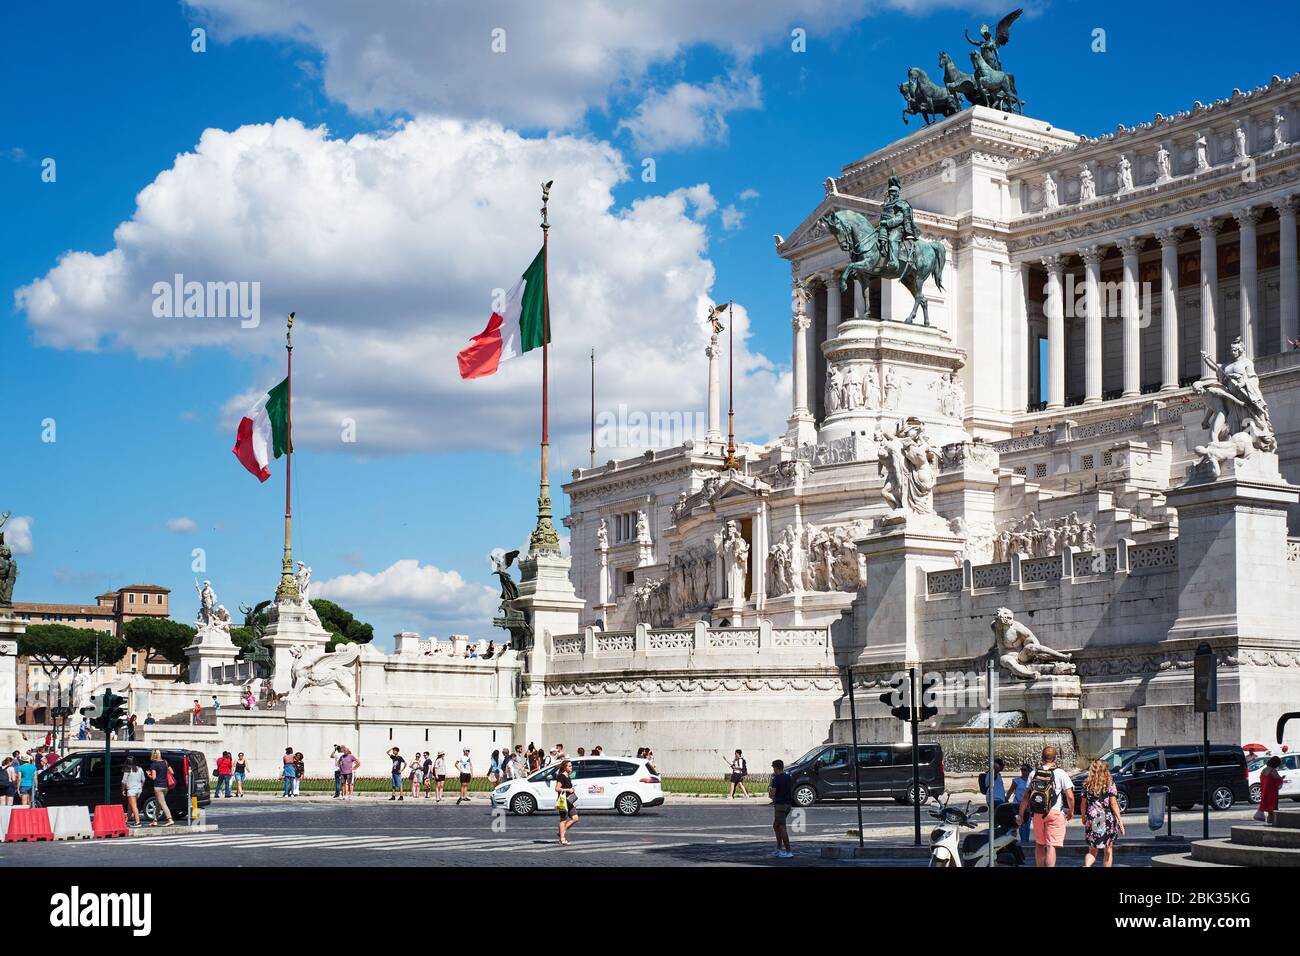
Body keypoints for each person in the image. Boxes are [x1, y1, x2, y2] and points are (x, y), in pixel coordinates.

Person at [1016, 745, 1074, 868]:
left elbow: (1026, 797)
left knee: (1040, 844)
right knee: (1051, 845)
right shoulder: (1060, 773)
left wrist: (1020, 814)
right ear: (1055, 758)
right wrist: (1071, 811)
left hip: (1037, 813)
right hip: (1054, 812)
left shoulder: (1033, 773)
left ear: (1042, 758)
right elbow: (1070, 796)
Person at [1077, 759, 1125, 867]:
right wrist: (1120, 821)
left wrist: (1083, 817)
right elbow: (1113, 804)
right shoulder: (1110, 784)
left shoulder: (1086, 784)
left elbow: (1083, 804)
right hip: (1106, 818)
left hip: (1093, 818)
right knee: (1108, 850)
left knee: (1092, 850)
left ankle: (1087, 866)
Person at [768, 759, 794, 859]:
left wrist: (770, 792)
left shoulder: (776, 779)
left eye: (773, 767)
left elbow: (772, 794)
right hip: (787, 805)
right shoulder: (788, 777)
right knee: (776, 826)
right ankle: (779, 849)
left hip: (780, 806)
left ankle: (788, 851)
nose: (773, 769)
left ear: (776, 767)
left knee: (781, 827)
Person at [1006, 764, 1034, 844]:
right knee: (1020, 822)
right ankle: (1023, 840)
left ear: (1029, 771)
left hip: (1028, 804)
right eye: (1022, 769)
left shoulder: (1032, 782)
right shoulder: (1017, 780)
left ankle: (1026, 840)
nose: (1023, 771)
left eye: (1025, 770)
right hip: (1017, 804)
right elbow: (1010, 791)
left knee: (1027, 823)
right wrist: (1006, 800)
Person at [146, 749, 174, 826]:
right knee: (158, 804)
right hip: (165, 786)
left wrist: (148, 774)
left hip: (158, 787)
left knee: (162, 803)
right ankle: (155, 820)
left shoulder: (154, 764)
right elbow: (172, 772)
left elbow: (154, 778)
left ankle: (170, 819)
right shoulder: (165, 762)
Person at [555, 758, 579, 846]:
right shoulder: (561, 776)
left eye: (571, 766)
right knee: (563, 820)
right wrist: (568, 789)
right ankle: (562, 838)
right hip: (563, 801)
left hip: (569, 801)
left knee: (575, 818)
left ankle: (562, 832)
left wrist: (573, 802)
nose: (571, 767)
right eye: (569, 766)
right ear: (564, 767)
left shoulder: (568, 776)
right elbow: (557, 789)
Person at [1258, 755, 1285, 826]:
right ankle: (1273, 822)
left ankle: (1269, 821)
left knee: (1267, 805)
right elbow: (1278, 783)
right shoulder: (1273, 771)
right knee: (1273, 808)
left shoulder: (1264, 770)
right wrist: (1281, 779)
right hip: (1272, 792)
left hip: (1264, 790)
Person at [121, 756, 145, 827]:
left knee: (134, 806)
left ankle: (138, 822)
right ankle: (126, 819)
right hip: (138, 789)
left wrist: (123, 789)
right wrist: (141, 787)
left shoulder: (127, 769)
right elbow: (143, 779)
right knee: (130, 805)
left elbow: (124, 781)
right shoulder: (140, 769)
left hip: (131, 790)